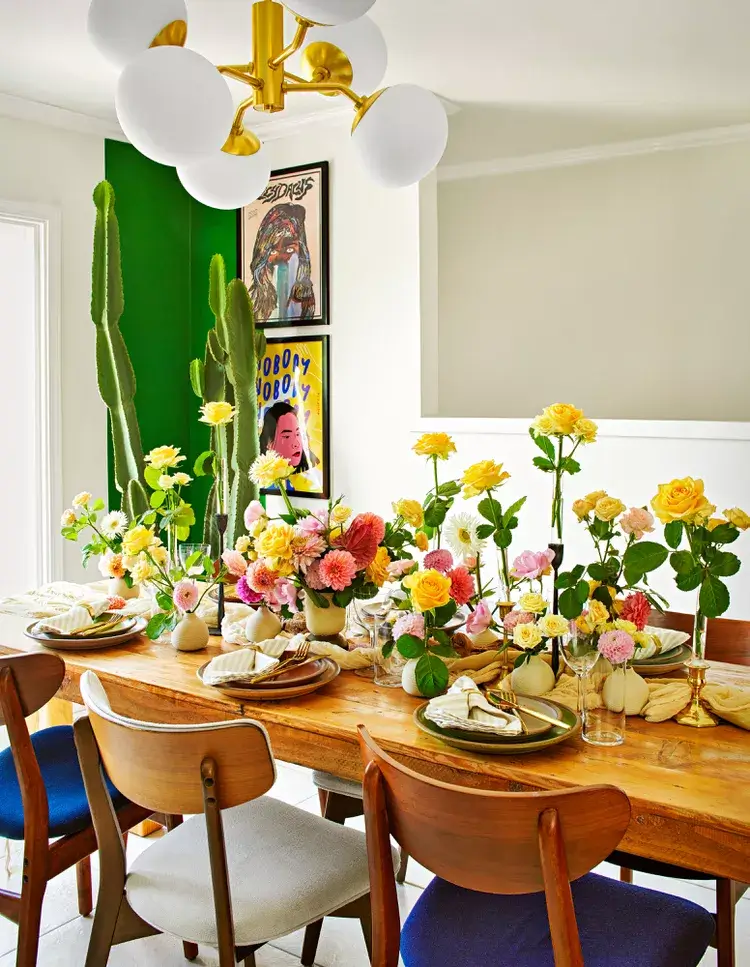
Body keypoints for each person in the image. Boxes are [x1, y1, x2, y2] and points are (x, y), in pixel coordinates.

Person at [249, 204, 315, 324]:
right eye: (272, 251)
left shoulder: (304, 302)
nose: (282, 259)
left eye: (289, 250)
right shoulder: (252, 303)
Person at [259, 401, 323, 494]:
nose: (296, 443)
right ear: (269, 443)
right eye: (287, 436)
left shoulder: (316, 476)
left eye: (298, 434)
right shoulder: (265, 482)